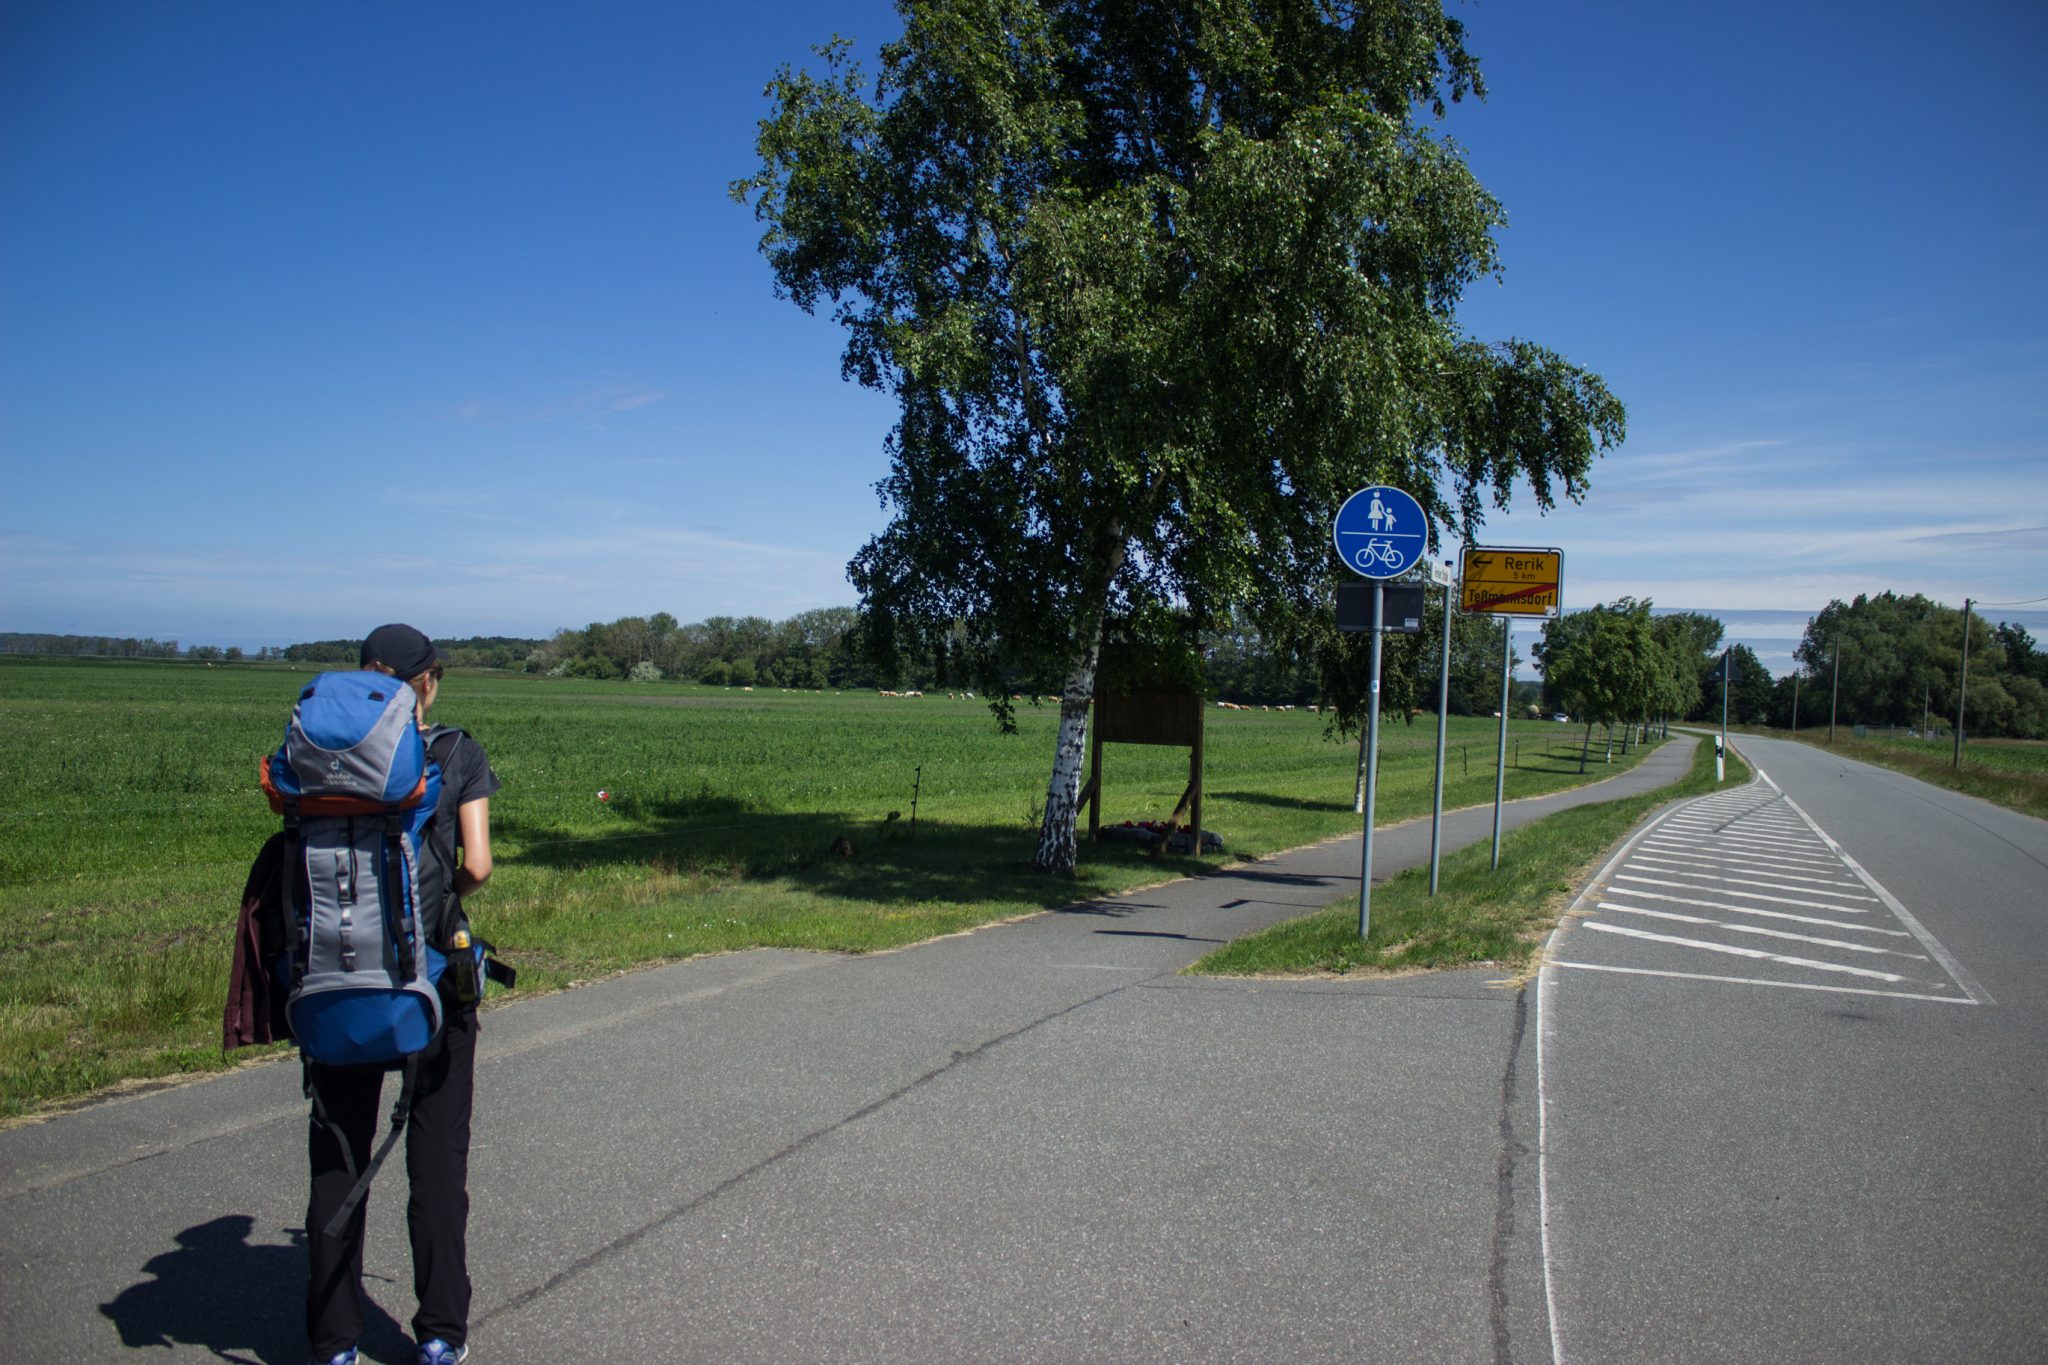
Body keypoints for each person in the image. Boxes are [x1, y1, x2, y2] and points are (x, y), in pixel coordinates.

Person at [305, 624, 500, 1365]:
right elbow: (477, 865)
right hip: (430, 985)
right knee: (437, 1164)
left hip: (332, 979)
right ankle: (441, 1334)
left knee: (338, 1158)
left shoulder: (317, 761)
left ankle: (334, 1343)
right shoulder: (453, 752)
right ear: (429, 681)